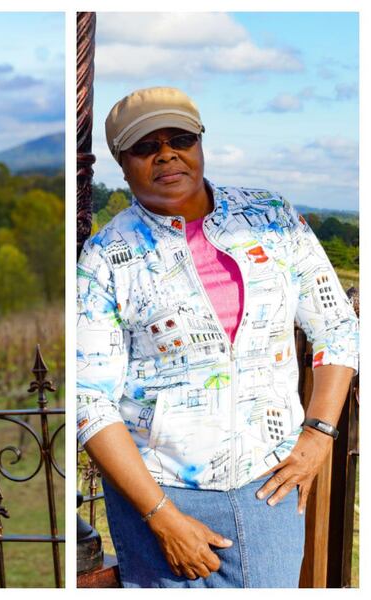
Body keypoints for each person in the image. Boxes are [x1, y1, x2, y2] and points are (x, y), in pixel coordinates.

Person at [76, 87, 358, 588]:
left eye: (180, 137)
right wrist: (162, 517)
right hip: (159, 493)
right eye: (145, 146)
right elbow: (88, 398)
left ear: (200, 143)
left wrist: (318, 436)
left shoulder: (271, 217)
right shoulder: (105, 256)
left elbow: (336, 326)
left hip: (270, 482)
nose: (167, 154)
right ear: (122, 164)